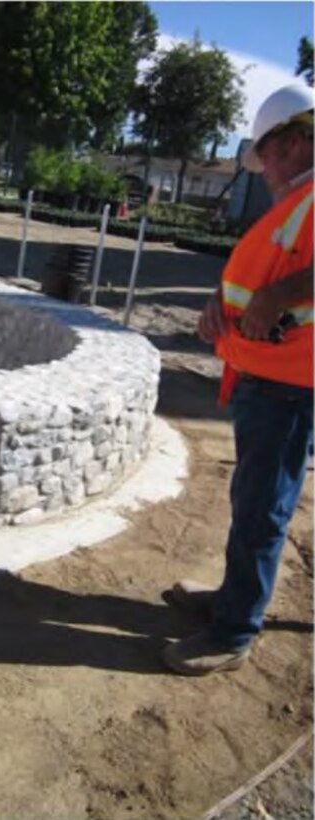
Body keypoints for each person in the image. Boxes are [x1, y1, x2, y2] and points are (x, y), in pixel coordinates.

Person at [163, 84, 314, 676]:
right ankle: (232, 602)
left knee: (262, 511)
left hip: (289, 387)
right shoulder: (294, 202)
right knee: (250, 502)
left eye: (270, 152)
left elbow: (282, 285)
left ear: (300, 140)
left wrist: (279, 294)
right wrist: (217, 305)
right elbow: (260, 273)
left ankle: (233, 632)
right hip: (262, 378)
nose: (264, 168)